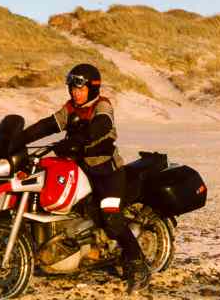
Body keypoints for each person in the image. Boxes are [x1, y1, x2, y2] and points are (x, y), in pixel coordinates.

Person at [9, 63, 150, 293]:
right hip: (81, 169)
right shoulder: (70, 109)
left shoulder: (102, 106)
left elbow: (100, 127)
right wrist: (19, 139)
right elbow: (48, 125)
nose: (75, 92)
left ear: (92, 88)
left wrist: (77, 141)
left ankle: (138, 264)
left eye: (80, 88)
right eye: (72, 88)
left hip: (107, 171)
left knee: (110, 216)